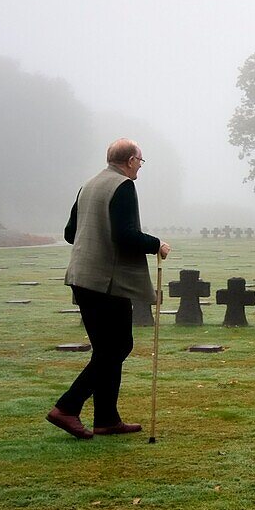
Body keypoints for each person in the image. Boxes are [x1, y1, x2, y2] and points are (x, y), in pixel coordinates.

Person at [46, 138, 170, 440]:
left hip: (82, 276)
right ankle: (67, 407)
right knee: (116, 348)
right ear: (129, 160)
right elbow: (126, 236)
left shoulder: (88, 185)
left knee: (107, 349)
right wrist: (157, 244)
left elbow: (70, 233)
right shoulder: (123, 186)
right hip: (106, 282)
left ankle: (106, 418)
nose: (140, 166)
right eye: (140, 161)